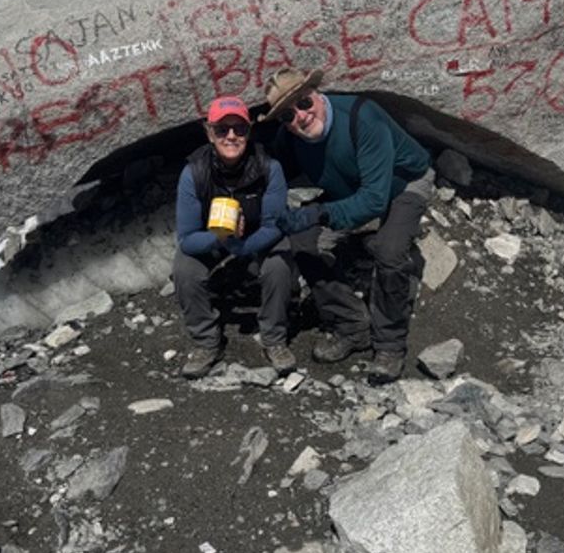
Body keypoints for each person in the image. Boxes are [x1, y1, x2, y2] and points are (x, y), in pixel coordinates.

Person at [261, 67, 433, 386]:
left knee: (389, 250)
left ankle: (390, 345)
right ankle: (351, 325)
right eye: (287, 114)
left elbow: (373, 201)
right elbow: (273, 173)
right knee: (303, 242)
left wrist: (319, 214)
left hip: (404, 183)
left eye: (304, 103)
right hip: (351, 188)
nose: (300, 116)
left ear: (318, 95)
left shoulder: (363, 118)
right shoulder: (291, 137)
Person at [173, 95, 295, 378]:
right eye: (222, 129)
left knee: (279, 263)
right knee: (184, 269)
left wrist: (242, 246)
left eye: (239, 129)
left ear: (249, 131)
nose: (231, 136)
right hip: (214, 238)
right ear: (209, 132)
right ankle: (206, 342)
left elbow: (275, 224)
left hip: (258, 236)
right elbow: (188, 238)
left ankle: (274, 338)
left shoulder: (269, 168)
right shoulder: (194, 173)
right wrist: (222, 239)